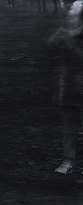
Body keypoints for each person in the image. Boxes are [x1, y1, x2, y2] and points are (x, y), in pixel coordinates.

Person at [49, 11, 83, 173]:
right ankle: (68, 159)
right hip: (71, 87)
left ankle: (68, 160)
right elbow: (52, 43)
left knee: (70, 125)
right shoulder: (69, 35)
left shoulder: (71, 39)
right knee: (70, 125)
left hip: (72, 86)